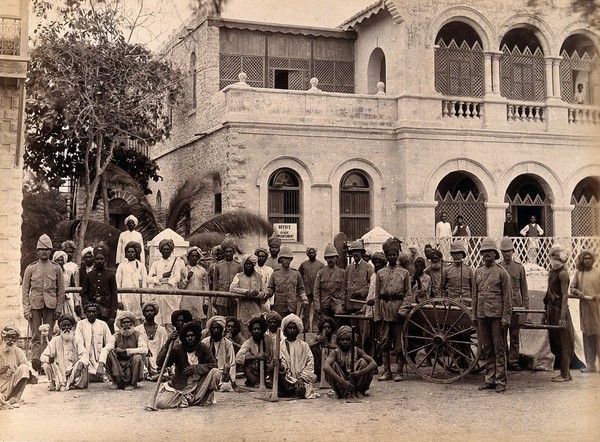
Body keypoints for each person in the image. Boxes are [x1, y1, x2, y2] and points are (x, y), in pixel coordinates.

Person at [22, 234, 65, 373]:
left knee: (49, 335)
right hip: (35, 306)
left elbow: (61, 290)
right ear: (37, 251)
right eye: (41, 249)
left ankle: (47, 363)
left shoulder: (56, 268)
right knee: (35, 336)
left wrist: (58, 308)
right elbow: (25, 290)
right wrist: (26, 309)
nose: (44, 252)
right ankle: (36, 363)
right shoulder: (31, 268)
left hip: (51, 306)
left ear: (51, 251)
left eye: (47, 249)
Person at [473, 238, 512, 393]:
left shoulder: (503, 273)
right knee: (487, 348)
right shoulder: (478, 272)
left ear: (495, 255)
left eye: (490, 252)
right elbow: (475, 296)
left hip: (497, 316)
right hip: (482, 315)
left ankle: (501, 381)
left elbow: (507, 298)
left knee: (499, 348)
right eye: (484, 252)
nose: (487, 255)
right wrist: (475, 315)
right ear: (481, 254)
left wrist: (506, 317)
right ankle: (489, 379)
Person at [154, 321, 221, 409]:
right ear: (183, 338)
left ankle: (203, 397)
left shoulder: (203, 347)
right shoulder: (178, 349)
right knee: (161, 404)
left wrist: (196, 368)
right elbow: (160, 363)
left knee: (216, 372)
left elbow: (213, 365)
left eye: (192, 336)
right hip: (181, 386)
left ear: (196, 336)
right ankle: (187, 399)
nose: (190, 338)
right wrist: (168, 342)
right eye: (187, 336)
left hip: (199, 386)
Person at [374, 237, 411, 382]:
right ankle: (387, 371)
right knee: (384, 341)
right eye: (389, 255)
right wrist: (377, 314)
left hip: (398, 310)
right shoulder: (380, 273)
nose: (392, 257)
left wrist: (403, 310)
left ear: (397, 255)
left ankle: (399, 371)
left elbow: (408, 294)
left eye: (394, 254)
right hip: (384, 309)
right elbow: (377, 296)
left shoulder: (404, 273)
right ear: (386, 256)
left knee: (398, 342)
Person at [545, 244, 575, 382]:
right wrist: (544, 314)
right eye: (552, 256)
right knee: (555, 341)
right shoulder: (552, 272)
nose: (553, 259)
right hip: (551, 309)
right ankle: (565, 373)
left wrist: (562, 317)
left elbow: (564, 297)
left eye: (556, 256)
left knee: (564, 342)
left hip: (559, 310)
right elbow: (548, 293)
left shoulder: (563, 273)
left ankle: (565, 374)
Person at [499, 237, 529, 371]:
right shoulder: (498, 268)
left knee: (515, 334)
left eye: (508, 251)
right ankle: (504, 360)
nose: (506, 254)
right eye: (504, 251)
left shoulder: (519, 268)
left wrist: (525, 311)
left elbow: (524, 290)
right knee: (502, 335)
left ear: (513, 251)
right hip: (502, 305)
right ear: (501, 252)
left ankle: (513, 361)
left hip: (516, 304)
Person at [323, 325, 377, 400]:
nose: (345, 342)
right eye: (342, 339)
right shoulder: (335, 353)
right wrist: (343, 382)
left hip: (355, 381)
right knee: (333, 365)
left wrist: (360, 372)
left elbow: (373, 363)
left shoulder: (357, 351)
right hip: (341, 382)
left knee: (364, 362)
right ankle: (339, 392)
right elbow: (326, 367)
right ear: (338, 341)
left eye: (348, 339)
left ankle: (357, 390)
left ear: (352, 340)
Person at [98, 311, 148, 390]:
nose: (126, 325)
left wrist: (125, 351)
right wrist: (101, 365)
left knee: (138, 357)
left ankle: (133, 383)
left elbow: (144, 350)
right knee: (109, 353)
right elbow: (106, 348)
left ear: (132, 323)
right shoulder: (115, 336)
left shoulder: (138, 335)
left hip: (131, 362)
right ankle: (115, 381)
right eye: (124, 323)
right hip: (118, 363)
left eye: (129, 322)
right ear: (121, 324)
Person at [41, 313, 89, 391]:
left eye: (68, 326)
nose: (66, 328)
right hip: (59, 371)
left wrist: (81, 363)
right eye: (64, 326)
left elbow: (85, 354)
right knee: (46, 364)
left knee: (84, 363)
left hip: (73, 371)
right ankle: (51, 383)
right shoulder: (55, 340)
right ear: (60, 328)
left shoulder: (76, 340)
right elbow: (42, 356)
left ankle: (73, 382)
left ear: (72, 327)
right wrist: (49, 359)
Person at [570, 250, 600, 373]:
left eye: (589, 258)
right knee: (588, 336)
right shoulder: (579, 273)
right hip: (585, 310)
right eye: (585, 259)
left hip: (598, 309)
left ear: (592, 260)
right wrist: (578, 292)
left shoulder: (598, 273)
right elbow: (572, 288)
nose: (587, 261)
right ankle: (590, 365)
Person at [277, 314, 318, 399]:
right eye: (289, 328)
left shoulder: (304, 346)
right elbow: (282, 363)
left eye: (294, 328)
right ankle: (286, 390)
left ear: (298, 330)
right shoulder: (279, 346)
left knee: (300, 391)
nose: (292, 330)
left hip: (301, 381)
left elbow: (310, 364)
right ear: (285, 329)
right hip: (286, 379)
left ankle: (290, 392)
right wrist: (281, 367)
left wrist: (302, 378)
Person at [148, 238, 185, 326]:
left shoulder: (175, 263)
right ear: (160, 251)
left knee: (170, 317)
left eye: (168, 249)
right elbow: (149, 278)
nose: (166, 251)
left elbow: (177, 278)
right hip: (158, 292)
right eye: (164, 249)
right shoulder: (156, 264)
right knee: (158, 317)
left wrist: (168, 281)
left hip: (170, 292)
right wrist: (162, 277)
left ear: (171, 251)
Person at [81, 245, 118, 332]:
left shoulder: (110, 275)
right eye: (97, 259)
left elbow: (114, 294)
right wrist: (87, 307)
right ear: (94, 260)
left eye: (101, 259)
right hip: (92, 311)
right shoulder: (89, 275)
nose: (99, 261)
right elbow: (84, 293)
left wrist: (113, 314)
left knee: (107, 332)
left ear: (105, 260)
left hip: (106, 309)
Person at [230, 254, 268, 337]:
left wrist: (257, 293)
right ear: (243, 265)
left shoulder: (259, 277)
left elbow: (264, 292)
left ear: (253, 265)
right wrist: (245, 292)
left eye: (250, 264)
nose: (248, 266)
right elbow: (232, 288)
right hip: (243, 310)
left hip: (256, 310)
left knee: (256, 332)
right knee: (244, 334)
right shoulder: (238, 276)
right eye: (246, 264)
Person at [74, 303, 112, 382]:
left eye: (94, 312)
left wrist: (102, 362)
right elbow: (79, 342)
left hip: (100, 358)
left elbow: (110, 343)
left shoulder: (103, 324)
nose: (91, 314)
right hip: (85, 358)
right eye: (89, 312)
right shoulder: (80, 324)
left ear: (98, 312)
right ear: (85, 313)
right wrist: (84, 358)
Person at [267, 246, 309, 317]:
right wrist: (266, 294)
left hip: (292, 306)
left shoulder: (296, 274)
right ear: (280, 260)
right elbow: (270, 289)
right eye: (284, 258)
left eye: (289, 259)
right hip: (279, 306)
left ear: (291, 260)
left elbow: (301, 290)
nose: (287, 261)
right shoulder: (275, 274)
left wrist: (304, 299)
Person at [0, 326, 36, 407]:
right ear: (3, 338)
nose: (10, 340)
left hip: (11, 384)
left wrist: (31, 376)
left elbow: (28, 369)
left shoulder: (18, 351)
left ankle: (15, 398)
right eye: (8, 337)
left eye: (13, 338)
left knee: (24, 368)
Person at [134, 301, 169, 380]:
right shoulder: (137, 330)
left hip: (158, 358)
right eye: (147, 311)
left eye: (151, 311)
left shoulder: (162, 330)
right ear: (143, 313)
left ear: (155, 313)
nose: (149, 313)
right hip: (144, 358)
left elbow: (165, 347)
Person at [236, 316, 273, 388]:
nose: (256, 331)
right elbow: (238, 358)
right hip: (254, 370)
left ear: (262, 330)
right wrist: (256, 356)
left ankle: (266, 381)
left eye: (259, 329)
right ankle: (256, 381)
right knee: (245, 360)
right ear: (251, 330)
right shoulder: (248, 342)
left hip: (267, 369)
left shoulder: (268, 339)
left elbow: (273, 354)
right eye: (254, 329)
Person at [116, 241, 147, 325]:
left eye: (132, 252)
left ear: (136, 253)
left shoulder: (141, 266)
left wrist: (143, 300)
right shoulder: (122, 266)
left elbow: (144, 283)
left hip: (137, 298)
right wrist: (119, 300)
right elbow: (118, 283)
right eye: (128, 252)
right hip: (125, 297)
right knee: (125, 319)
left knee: (138, 321)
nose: (130, 254)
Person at [201, 316, 236, 391]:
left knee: (225, 386)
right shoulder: (204, 342)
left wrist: (232, 379)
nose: (216, 330)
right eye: (213, 328)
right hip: (207, 373)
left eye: (218, 328)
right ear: (210, 330)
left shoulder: (228, 343)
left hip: (222, 374)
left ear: (222, 329)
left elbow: (232, 363)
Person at [314, 244, 346, 322]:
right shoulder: (321, 273)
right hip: (324, 302)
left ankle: (336, 332)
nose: (330, 260)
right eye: (328, 258)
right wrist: (317, 305)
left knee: (339, 313)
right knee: (324, 320)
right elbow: (316, 289)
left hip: (337, 302)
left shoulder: (342, 272)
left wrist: (343, 303)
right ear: (325, 259)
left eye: (332, 257)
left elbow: (345, 289)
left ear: (336, 258)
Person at [178, 246, 209, 326]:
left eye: (196, 256)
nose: (194, 258)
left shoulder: (202, 270)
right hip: (186, 300)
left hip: (198, 300)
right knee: (186, 320)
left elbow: (206, 286)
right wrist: (187, 278)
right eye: (192, 256)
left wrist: (206, 302)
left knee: (198, 322)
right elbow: (180, 286)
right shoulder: (183, 270)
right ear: (188, 257)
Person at [213, 238, 243, 317]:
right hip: (221, 299)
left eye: (230, 252)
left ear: (233, 252)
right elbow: (215, 283)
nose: (228, 254)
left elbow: (241, 282)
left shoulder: (238, 266)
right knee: (221, 320)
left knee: (233, 320)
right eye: (226, 252)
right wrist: (214, 299)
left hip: (234, 299)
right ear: (224, 252)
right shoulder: (218, 265)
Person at [298, 247, 325, 332]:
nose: (311, 254)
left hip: (317, 290)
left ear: (316, 254)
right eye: (310, 253)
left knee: (317, 309)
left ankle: (315, 326)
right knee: (306, 309)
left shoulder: (321, 265)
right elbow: (299, 275)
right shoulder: (303, 264)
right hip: (307, 290)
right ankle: (305, 327)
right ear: (307, 254)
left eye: (313, 253)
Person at [344, 241, 374, 314]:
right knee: (352, 324)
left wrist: (360, 293)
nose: (355, 254)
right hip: (350, 304)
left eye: (357, 251)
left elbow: (371, 285)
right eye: (353, 252)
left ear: (361, 253)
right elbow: (344, 286)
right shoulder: (348, 267)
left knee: (362, 323)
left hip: (361, 304)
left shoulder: (368, 267)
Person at [309, 316, 337, 381]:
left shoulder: (335, 337)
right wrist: (318, 342)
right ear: (321, 328)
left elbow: (340, 347)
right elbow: (308, 346)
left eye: (328, 327)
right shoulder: (318, 337)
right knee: (314, 349)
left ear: (332, 328)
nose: (327, 329)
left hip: (332, 361)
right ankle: (319, 376)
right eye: (324, 327)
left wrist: (329, 345)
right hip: (321, 361)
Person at [53, 251, 79, 319]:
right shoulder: (51, 273)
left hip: (67, 299)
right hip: (55, 300)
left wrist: (77, 302)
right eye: (58, 260)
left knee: (69, 317)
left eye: (61, 260)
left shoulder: (69, 273)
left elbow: (74, 287)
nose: (60, 262)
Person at [255, 247, 274, 314]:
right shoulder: (253, 269)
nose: (261, 258)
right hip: (254, 298)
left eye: (263, 256)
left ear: (266, 258)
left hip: (266, 298)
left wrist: (271, 302)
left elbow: (271, 287)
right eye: (259, 256)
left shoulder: (269, 270)